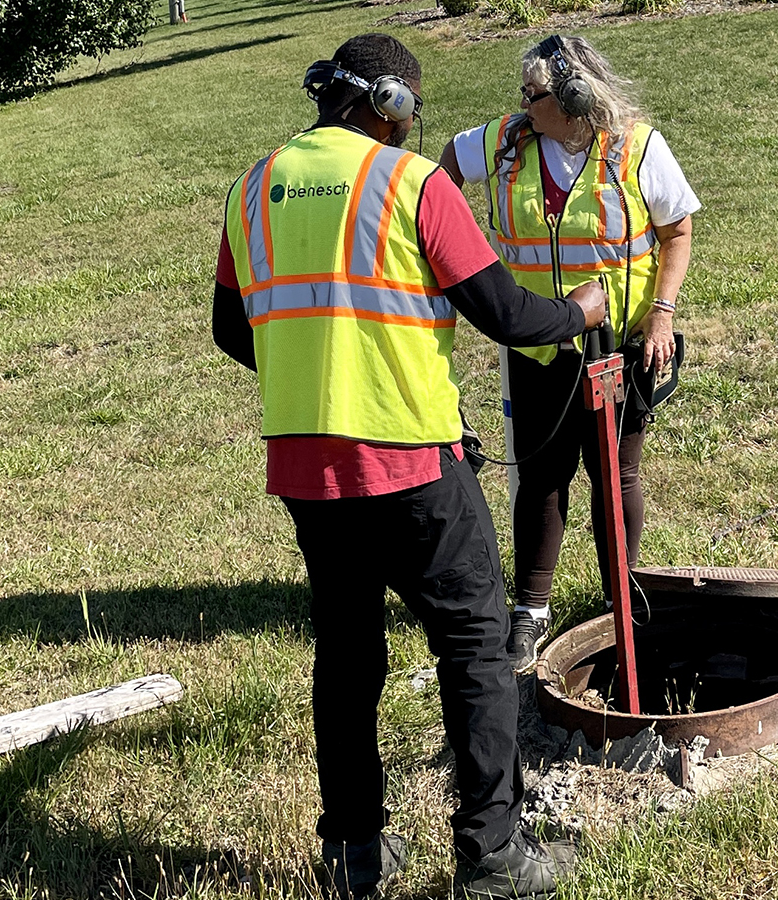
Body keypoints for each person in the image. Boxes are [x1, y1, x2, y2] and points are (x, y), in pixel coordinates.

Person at [210, 33, 607, 900]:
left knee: (347, 659)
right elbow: (504, 311)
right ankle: (492, 856)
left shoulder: (251, 189)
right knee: (473, 650)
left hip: (307, 475)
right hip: (413, 464)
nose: (411, 130)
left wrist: (311, 366)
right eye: (410, 114)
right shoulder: (411, 183)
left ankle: (355, 853)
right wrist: (578, 311)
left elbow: (230, 329)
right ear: (388, 104)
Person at [439, 35, 700, 672]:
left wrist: (661, 315)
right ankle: (530, 609)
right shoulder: (507, 140)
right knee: (541, 478)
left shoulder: (638, 147)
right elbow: (443, 168)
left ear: (577, 97)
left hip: (617, 351)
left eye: (535, 96)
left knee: (616, 474)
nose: (523, 106)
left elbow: (679, 229)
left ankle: (623, 600)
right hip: (536, 349)